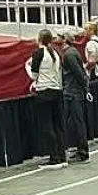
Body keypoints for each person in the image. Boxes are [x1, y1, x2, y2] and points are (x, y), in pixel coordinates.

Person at [26, 29, 66, 169]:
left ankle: (55, 158)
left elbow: (34, 76)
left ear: (39, 39)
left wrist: (27, 67)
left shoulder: (39, 53)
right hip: (56, 91)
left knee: (47, 125)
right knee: (57, 125)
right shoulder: (55, 53)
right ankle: (61, 156)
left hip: (44, 93)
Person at [58, 31, 90, 164]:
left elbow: (79, 73)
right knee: (76, 122)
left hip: (73, 92)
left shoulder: (69, 55)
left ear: (64, 39)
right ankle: (79, 150)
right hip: (73, 91)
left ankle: (83, 152)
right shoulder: (71, 52)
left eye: (59, 37)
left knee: (78, 122)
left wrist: (85, 88)